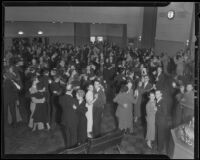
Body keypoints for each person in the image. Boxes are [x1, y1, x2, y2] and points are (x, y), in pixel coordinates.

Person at [59, 83, 79, 148]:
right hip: (72, 119)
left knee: (67, 136)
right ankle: (74, 150)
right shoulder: (73, 100)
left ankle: (68, 149)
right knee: (73, 135)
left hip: (64, 119)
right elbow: (77, 108)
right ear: (72, 90)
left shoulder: (60, 98)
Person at [155, 90, 170, 154]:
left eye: (158, 94)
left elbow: (165, 113)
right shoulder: (157, 100)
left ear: (161, 94)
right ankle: (159, 146)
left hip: (162, 122)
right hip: (158, 120)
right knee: (158, 134)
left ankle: (160, 149)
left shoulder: (163, 102)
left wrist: (157, 110)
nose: (156, 95)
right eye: (156, 94)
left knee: (160, 135)